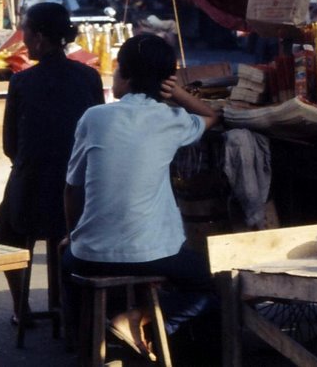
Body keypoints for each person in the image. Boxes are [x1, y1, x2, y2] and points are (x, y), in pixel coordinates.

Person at [61, 34, 220, 358]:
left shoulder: (94, 118)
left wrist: (73, 235)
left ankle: (84, 341)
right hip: (156, 254)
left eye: (118, 69)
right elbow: (211, 115)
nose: (114, 75)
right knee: (212, 284)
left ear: (128, 76)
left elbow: (71, 190)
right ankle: (143, 319)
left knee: (67, 263)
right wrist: (176, 93)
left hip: (90, 255)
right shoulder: (171, 119)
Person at [0, 2, 104, 324]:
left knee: (5, 230)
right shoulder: (89, 77)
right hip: (79, 192)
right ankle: (65, 307)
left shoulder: (22, 82)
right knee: (56, 224)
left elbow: (10, 147)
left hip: (33, 192)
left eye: (25, 31)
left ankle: (21, 308)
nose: (22, 38)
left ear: (39, 38)